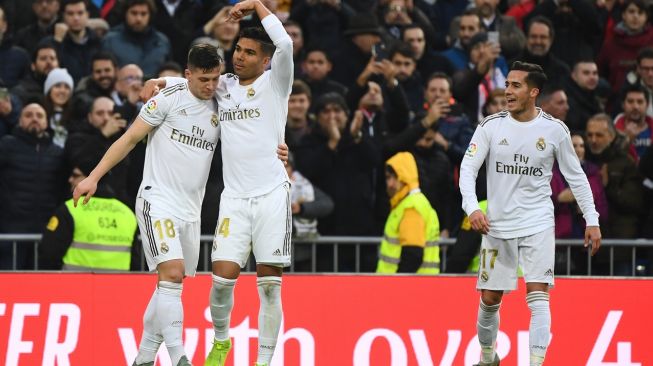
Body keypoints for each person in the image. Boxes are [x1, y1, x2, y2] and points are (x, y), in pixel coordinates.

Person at [144, 2, 294, 365]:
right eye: (238, 50)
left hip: (272, 195)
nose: (239, 57)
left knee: (270, 287)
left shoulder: (276, 83)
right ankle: (222, 341)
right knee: (221, 281)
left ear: (266, 60)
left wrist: (257, 5)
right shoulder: (224, 86)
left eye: (249, 53)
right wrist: (161, 82)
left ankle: (263, 361)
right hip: (235, 200)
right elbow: (194, 80)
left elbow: (286, 44)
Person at [73, 42, 224, 366]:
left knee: (170, 285)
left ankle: (142, 358)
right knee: (171, 273)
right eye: (203, 80)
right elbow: (128, 139)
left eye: (215, 78)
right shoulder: (167, 99)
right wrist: (93, 177)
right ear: (188, 75)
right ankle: (178, 356)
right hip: (157, 199)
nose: (210, 86)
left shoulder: (220, 101)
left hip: (190, 210)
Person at [459, 61, 601, 366]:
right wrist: (472, 207)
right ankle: (487, 358)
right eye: (508, 85)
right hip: (497, 226)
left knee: (538, 296)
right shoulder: (490, 126)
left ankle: (535, 363)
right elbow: (467, 169)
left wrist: (592, 219)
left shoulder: (554, 130)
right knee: (489, 300)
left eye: (515, 86)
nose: (508, 91)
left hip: (537, 223)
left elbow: (576, 177)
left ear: (533, 92)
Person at [40, 150, 138, 270]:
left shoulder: (71, 208)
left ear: (90, 178)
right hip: (118, 286)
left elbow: (49, 254)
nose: (70, 180)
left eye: (76, 175)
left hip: (74, 285)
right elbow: (135, 262)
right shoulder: (127, 213)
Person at [376, 151, 440, 274]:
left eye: (392, 177)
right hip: (418, 286)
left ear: (403, 177)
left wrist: (397, 285)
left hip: (407, 287)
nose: (389, 184)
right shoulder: (410, 203)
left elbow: (413, 254)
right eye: (387, 178)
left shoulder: (411, 207)